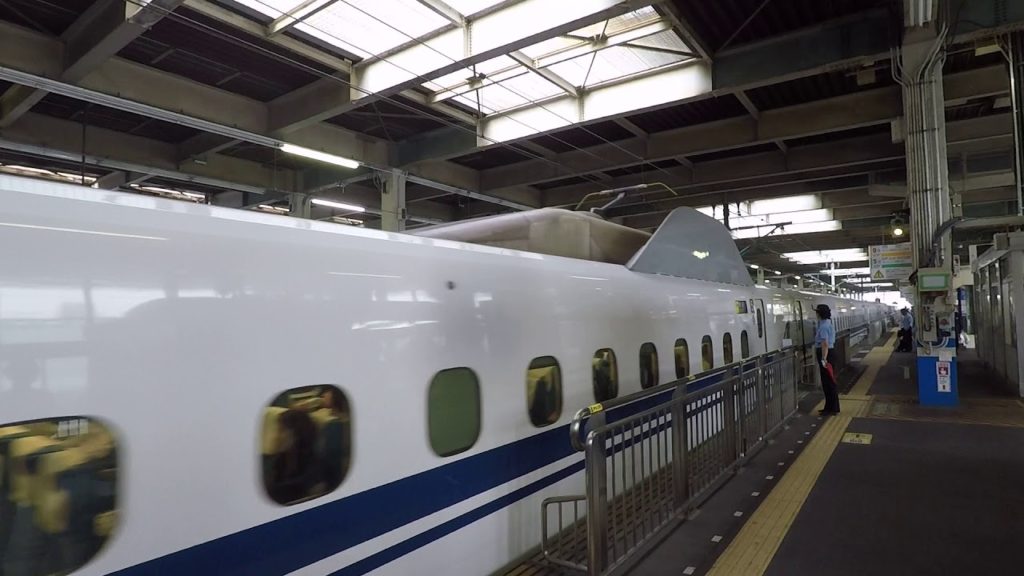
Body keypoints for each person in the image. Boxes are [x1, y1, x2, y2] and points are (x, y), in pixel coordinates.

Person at [814, 304, 840, 415]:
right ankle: (830, 407)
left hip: (826, 354)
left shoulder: (823, 326)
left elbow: (824, 344)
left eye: (817, 312)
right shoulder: (827, 323)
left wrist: (824, 359)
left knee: (828, 382)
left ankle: (832, 408)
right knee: (829, 381)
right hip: (829, 353)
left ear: (819, 313)